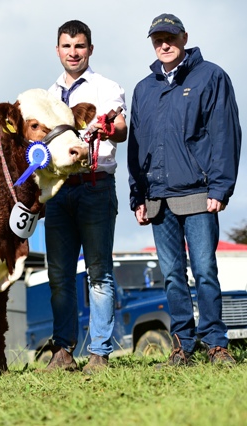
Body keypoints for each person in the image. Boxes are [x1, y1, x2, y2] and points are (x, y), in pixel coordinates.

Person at [128, 13, 242, 366]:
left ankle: (216, 345)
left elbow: (226, 133)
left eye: (170, 37)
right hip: (158, 197)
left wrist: (220, 187)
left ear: (184, 37)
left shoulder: (211, 76)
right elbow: (135, 145)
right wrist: (138, 195)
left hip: (198, 193)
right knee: (173, 275)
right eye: (157, 38)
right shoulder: (143, 89)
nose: (164, 44)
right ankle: (183, 348)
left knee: (205, 270)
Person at [43, 20, 127, 374]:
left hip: (95, 186)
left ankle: (99, 353)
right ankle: (63, 351)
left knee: (98, 272)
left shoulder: (106, 87)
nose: (73, 53)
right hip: (59, 192)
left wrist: (109, 126)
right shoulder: (47, 95)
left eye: (79, 46)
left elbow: (121, 128)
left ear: (89, 49)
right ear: (58, 50)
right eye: (66, 46)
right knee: (59, 274)